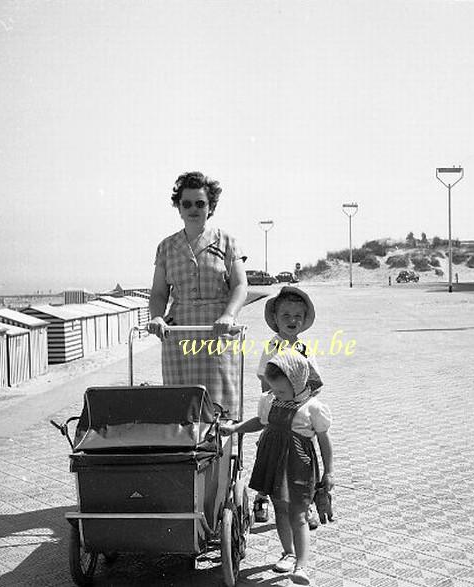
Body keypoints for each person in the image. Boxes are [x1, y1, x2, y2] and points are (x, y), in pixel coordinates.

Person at [221, 350, 334, 586]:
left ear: (298, 382)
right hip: (273, 463)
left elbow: (324, 441)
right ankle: (288, 553)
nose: (276, 393)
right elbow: (260, 422)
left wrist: (329, 471)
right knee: (280, 511)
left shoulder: (312, 408)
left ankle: (301, 566)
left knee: (299, 515)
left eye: (281, 390)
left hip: (299, 466)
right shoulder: (271, 400)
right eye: (273, 389)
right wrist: (235, 428)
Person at [147, 171, 248, 418]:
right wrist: (157, 317)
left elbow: (240, 286)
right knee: (180, 410)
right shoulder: (167, 247)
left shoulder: (227, 242)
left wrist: (229, 315)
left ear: (210, 207)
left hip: (216, 332)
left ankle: (221, 454)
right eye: (187, 203)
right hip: (178, 335)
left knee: (218, 410)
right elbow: (159, 293)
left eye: (200, 203)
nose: (193, 209)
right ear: (179, 208)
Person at [253, 286, 323, 527]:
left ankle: (307, 501)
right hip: (277, 410)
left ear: (303, 321)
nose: (292, 321)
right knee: (268, 451)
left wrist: (309, 402)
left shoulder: (304, 349)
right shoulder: (272, 346)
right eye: (286, 316)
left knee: (303, 458)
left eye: (297, 317)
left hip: (300, 414)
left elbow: (315, 381)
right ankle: (262, 496)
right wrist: (270, 406)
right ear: (275, 318)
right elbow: (265, 379)